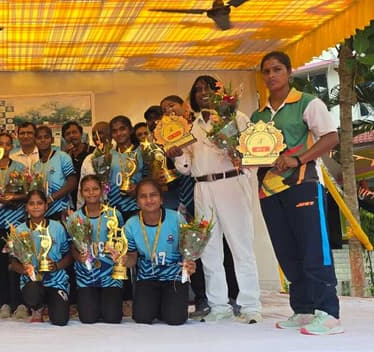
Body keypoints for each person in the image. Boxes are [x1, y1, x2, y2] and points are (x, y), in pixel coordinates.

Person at [253, 51, 343, 335]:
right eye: (266, 71)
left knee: (314, 248)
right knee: (287, 251)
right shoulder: (258, 115)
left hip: (303, 183)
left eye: (277, 69)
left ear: (289, 72)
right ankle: (303, 309)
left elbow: (331, 137)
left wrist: (298, 159)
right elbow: (255, 153)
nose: (271, 75)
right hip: (269, 190)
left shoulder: (307, 102)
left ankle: (328, 313)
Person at [166, 77, 262, 323]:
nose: (202, 93)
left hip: (231, 182)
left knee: (241, 245)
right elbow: (186, 167)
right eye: (197, 90)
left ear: (219, 92)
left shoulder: (237, 117)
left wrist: (237, 154)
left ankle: (250, 305)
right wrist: (176, 154)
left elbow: (253, 152)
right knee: (209, 249)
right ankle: (219, 305)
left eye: (207, 88)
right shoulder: (193, 126)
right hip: (202, 187)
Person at [124, 179, 195, 325]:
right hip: (147, 277)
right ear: (137, 202)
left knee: (175, 319)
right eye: (143, 196)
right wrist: (123, 260)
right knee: (142, 318)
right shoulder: (131, 225)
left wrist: (190, 263)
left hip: (173, 277)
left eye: (153, 195)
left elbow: (187, 250)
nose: (149, 200)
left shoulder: (176, 218)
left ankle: (166, 305)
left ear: (161, 199)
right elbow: (132, 258)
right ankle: (159, 305)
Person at [9, 189, 73, 325]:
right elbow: (14, 263)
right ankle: (37, 308)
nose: (36, 207)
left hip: (56, 281)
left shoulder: (57, 227)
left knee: (60, 320)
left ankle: (54, 304)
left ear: (46, 206)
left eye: (39, 203)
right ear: (26, 207)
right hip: (32, 282)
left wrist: (56, 266)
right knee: (33, 293)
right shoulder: (20, 230)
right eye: (31, 204)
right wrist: (25, 270)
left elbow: (68, 256)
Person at [70, 175, 124, 324]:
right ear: (81, 193)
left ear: (102, 190)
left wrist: (117, 252)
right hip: (86, 276)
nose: (91, 193)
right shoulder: (75, 218)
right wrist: (79, 257)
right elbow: (72, 246)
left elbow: (122, 243)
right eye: (86, 190)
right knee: (88, 318)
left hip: (110, 275)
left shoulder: (114, 215)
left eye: (95, 189)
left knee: (112, 318)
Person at [0, 133, 28, 319]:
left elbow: (28, 193)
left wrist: (13, 197)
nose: (4, 147)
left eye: (7, 144)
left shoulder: (20, 167)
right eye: (0, 144)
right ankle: (4, 304)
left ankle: (21, 304)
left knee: (19, 262)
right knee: (1, 264)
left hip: (16, 222)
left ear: (12, 146)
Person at [33, 125, 77, 220]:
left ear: (52, 140)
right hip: (44, 211)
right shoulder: (36, 166)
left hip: (62, 209)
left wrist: (51, 198)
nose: (43, 140)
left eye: (46, 137)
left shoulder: (62, 157)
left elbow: (72, 183)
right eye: (39, 138)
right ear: (35, 141)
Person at [62, 121, 94, 208]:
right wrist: (64, 154)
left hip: (91, 199)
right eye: (68, 134)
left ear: (81, 134)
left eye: (74, 132)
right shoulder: (63, 157)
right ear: (64, 138)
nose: (71, 136)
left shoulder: (93, 152)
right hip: (71, 202)